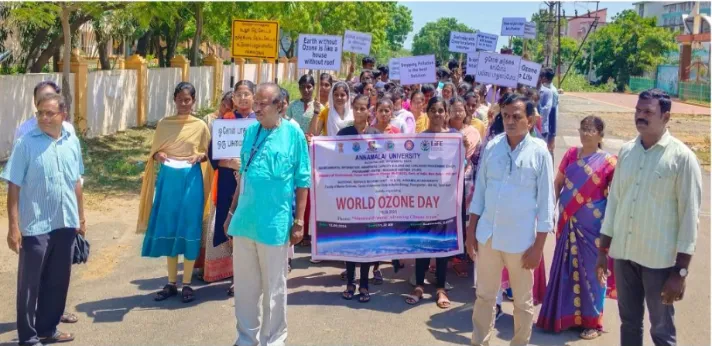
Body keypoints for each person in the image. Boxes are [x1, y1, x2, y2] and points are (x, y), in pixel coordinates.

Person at [596, 89, 702, 346]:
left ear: (666, 116)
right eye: (637, 111)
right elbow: (615, 202)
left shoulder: (681, 158)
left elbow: (690, 217)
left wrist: (680, 271)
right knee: (629, 324)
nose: (640, 117)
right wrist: (603, 250)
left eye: (647, 112)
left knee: (662, 331)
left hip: (660, 263)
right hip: (625, 256)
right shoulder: (627, 151)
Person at [225, 83, 310, 346]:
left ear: (281, 106)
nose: (256, 108)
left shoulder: (294, 135)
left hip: (274, 224)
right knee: (246, 288)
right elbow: (244, 177)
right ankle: (246, 338)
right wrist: (231, 211)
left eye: (263, 104)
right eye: (256, 103)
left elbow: (303, 180)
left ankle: (274, 340)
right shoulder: (251, 131)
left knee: (274, 288)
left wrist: (299, 222)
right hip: (245, 222)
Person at [467, 94, 555, 346]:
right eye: (506, 116)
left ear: (530, 120)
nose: (510, 121)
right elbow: (480, 193)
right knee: (484, 296)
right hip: (488, 237)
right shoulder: (493, 147)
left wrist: (538, 247)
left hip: (521, 243)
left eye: (517, 116)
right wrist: (471, 231)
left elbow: (546, 205)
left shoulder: (540, 153)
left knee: (522, 302)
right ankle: (479, 341)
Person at [4, 93, 85, 346]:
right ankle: (28, 337)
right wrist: (13, 226)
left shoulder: (72, 142)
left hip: (65, 222)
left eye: (50, 113)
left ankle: (47, 329)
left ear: (64, 115)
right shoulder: (25, 144)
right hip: (36, 225)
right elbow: (14, 185)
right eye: (40, 113)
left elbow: (76, 183)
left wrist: (81, 218)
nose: (44, 118)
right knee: (30, 284)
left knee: (58, 280)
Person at [536, 116, 618, 340]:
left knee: (593, 274)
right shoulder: (571, 154)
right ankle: (563, 316)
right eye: (583, 129)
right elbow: (558, 184)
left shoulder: (609, 162)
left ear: (601, 135)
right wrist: (549, 211)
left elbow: (616, 196)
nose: (585, 133)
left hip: (594, 227)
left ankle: (592, 322)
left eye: (590, 130)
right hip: (568, 220)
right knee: (565, 269)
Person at [138, 82, 210, 303]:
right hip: (169, 181)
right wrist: (159, 155)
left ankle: (187, 283)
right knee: (169, 226)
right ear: (174, 99)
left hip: (191, 181)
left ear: (194, 101)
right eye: (180, 99)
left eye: (188, 100)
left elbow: (208, 155)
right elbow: (155, 151)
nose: (184, 104)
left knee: (188, 226)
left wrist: (199, 157)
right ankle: (171, 282)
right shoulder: (163, 124)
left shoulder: (200, 126)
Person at [404, 96, 459, 309]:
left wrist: (461, 147)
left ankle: (440, 288)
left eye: (440, 110)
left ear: (446, 114)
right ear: (427, 113)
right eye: (433, 110)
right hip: (423, 200)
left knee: (441, 245)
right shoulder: (419, 139)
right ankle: (418, 285)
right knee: (422, 242)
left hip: (445, 199)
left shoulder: (455, 138)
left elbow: (459, 166)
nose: (437, 114)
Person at [338, 94, 381, 303]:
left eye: (363, 108)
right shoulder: (343, 134)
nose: (359, 112)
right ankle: (350, 282)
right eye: (356, 108)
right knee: (351, 238)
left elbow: (384, 164)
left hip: (370, 195)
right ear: (352, 109)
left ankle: (364, 284)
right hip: (349, 193)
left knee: (366, 239)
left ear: (369, 111)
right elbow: (333, 158)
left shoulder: (376, 135)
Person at [199, 91, 239, 288]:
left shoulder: (255, 121)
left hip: (250, 181)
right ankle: (233, 273)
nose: (232, 104)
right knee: (227, 224)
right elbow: (213, 154)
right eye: (230, 100)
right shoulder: (222, 123)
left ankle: (242, 276)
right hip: (226, 180)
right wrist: (228, 164)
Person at [448, 97, 481, 278]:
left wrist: (466, 149)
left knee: (464, 219)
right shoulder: (445, 132)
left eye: (461, 110)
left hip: (467, 181)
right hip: (446, 181)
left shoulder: (473, 132)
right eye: (455, 109)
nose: (458, 113)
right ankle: (446, 256)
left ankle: (462, 257)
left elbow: (477, 158)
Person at [539, 68, 558, 154]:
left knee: (547, 153)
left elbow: (553, 114)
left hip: (544, 128)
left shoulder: (551, 92)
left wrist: (552, 135)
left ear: (544, 78)